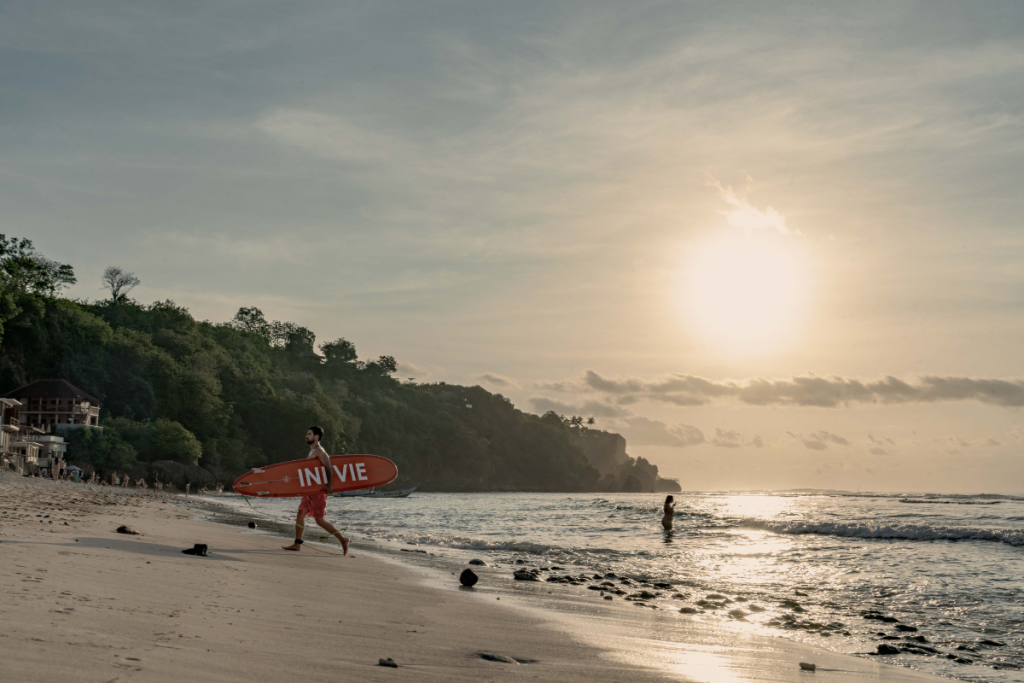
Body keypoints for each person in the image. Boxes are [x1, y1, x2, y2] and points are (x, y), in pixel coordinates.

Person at [282, 426, 350, 555]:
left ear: (317, 437)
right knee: (300, 514)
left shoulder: (320, 451)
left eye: (309, 434)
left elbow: (329, 467)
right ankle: (297, 544)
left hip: (318, 491)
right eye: (307, 434)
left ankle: (343, 539)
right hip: (309, 491)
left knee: (320, 521)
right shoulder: (312, 451)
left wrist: (329, 485)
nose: (307, 436)